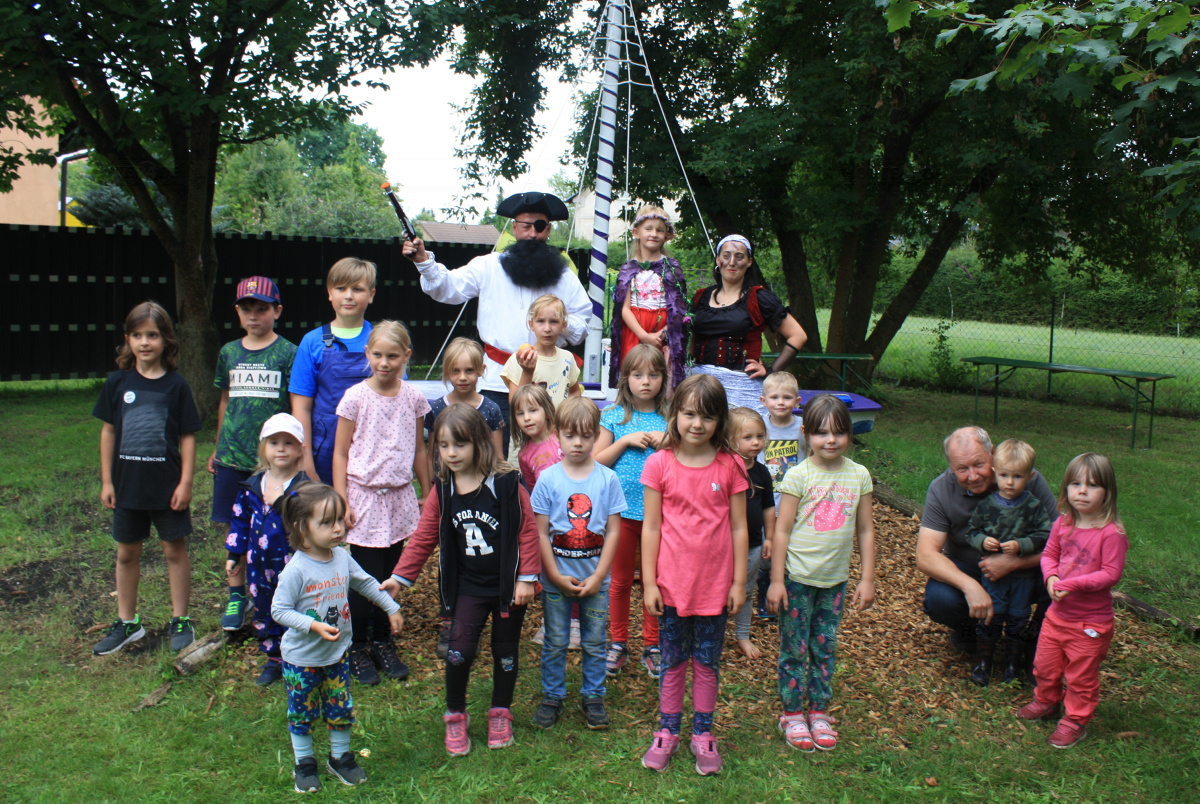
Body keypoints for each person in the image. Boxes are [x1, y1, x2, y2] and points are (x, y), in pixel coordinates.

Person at [382, 404, 540, 757]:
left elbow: (528, 531)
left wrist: (527, 578)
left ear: (480, 443)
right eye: (443, 445)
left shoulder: (506, 484)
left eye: (460, 445)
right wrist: (400, 577)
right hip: (468, 588)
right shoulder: (444, 490)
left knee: (505, 653)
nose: (451, 453)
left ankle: (501, 712)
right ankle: (455, 714)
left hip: (507, 588)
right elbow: (424, 537)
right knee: (459, 652)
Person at [402, 191, 592, 454]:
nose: (532, 234)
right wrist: (423, 261)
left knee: (549, 457)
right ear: (514, 228)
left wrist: (562, 323)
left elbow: (582, 325)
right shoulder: (488, 266)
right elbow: (448, 288)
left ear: (548, 230)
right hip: (496, 383)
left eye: (539, 226)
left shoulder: (564, 276)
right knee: (495, 458)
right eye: (525, 226)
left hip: (549, 386)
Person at [639, 373, 749, 776]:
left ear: (720, 421)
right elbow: (651, 527)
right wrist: (649, 582)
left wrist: (738, 583)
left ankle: (703, 733)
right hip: (670, 586)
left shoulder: (731, 466)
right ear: (675, 414)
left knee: (706, 663)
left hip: (715, 589)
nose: (697, 424)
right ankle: (668, 731)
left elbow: (740, 527)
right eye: (688, 414)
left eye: (706, 416)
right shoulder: (659, 464)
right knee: (671, 662)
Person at [270, 482, 402, 793]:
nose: (338, 529)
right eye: (326, 522)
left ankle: (340, 757)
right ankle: (304, 763)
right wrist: (312, 626)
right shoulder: (297, 571)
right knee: (302, 711)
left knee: (340, 706)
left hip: (337, 655)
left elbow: (366, 584)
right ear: (303, 529)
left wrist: (391, 607)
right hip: (301, 659)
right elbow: (279, 611)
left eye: (339, 520)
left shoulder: (341, 558)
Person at [92, 301, 202, 656]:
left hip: (167, 489)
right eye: (137, 335)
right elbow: (109, 432)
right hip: (127, 487)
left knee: (174, 550)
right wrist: (108, 481)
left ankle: (181, 619)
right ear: (127, 340)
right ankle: (127, 623)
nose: (144, 342)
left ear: (166, 340)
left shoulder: (177, 386)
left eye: (152, 335)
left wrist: (185, 482)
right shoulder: (116, 383)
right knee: (127, 553)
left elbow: (187, 436)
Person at [768, 394, 875, 752]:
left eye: (839, 432)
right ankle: (792, 712)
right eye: (822, 433)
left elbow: (865, 530)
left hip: (835, 582)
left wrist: (867, 578)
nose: (831, 440)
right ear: (805, 433)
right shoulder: (799, 475)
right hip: (797, 579)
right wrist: (777, 580)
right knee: (795, 647)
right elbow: (781, 530)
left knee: (825, 645)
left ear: (849, 434)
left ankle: (819, 709)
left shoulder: (859, 475)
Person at [332, 321, 431, 685]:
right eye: (377, 355)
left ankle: (383, 638)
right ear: (367, 355)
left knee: (391, 572)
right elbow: (340, 452)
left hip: (400, 498)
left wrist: (427, 491)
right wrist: (342, 498)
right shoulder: (356, 398)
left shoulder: (414, 398)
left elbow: (420, 449)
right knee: (363, 575)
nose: (385, 363)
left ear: (406, 356)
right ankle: (357, 645)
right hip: (364, 497)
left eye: (393, 356)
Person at [916, 427, 1059, 666]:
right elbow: (925, 555)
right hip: (971, 567)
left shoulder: (1026, 478)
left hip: (1024, 569)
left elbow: (1061, 542)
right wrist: (970, 586)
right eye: (962, 469)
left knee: (1063, 577)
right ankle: (969, 630)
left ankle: (1037, 636)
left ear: (992, 453)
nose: (973, 476)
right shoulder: (941, 489)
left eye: (979, 464)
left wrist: (1016, 562)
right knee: (940, 599)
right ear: (951, 467)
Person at [1016, 453, 1128, 749]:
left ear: (1107, 493)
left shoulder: (1111, 533)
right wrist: (1051, 578)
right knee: (1045, 665)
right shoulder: (1063, 524)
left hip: (1090, 623)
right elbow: (1050, 554)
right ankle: (1047, 701)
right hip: (1057, 616)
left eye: (1092, 485)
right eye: (1075, 483)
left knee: (1081, 675)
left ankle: (1076, 720)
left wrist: (1072, 584)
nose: (1082, 491)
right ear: (1065, 488)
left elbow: (1111, 574)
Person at [530, 397, 626, 730]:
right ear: (557, 434)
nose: (578, 443)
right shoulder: (548, 480)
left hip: (595, 582)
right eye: (571, 435)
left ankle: (593, 696)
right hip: (557, 580)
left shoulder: (607, 479)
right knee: (555, 639)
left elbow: (614, 530)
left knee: (595, 641)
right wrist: (553, 574)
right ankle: (552, 696)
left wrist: (601, 575)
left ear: (596, 435)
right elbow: (540, 533)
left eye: (586, 435)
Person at [208, 275, 297, 632]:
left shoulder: (288, 352)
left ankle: (284, 588)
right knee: (235, 528)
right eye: (247, 309)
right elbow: (225, 400)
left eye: (262, 309)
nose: (254, 316)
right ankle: (236, 594)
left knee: (281, 524)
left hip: (271, 460)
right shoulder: (229, 352)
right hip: (232, 456)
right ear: (238, 312)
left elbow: (295, 403)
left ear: (276, 310)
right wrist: (217, 446)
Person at [594, 344, 669, 678]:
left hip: (660, 515)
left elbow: (686, 452)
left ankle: (652, 644)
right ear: (626, 379)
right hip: (620, 514)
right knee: (620, 581)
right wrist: (625, 441)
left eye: (654, 375)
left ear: (664, 379)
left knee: (655, 580)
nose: (646, 382)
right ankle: (619, 642)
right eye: (638, 375)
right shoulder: (613, 416)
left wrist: (668, 439)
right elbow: (596, 461)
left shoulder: (671, 417)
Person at [224, 413, 309, 686]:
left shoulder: (304, 487)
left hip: (292, 564)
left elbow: (310, 522)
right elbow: (239, 521)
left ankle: (298, 656)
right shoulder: (252, 486)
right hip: (258, 565)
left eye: (288, 442)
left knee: (293, 608)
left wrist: (284, 501)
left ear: (299, 450)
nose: (281, 448)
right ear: (264, 448)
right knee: (265, 609)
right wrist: (233, 554)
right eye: (274, 442)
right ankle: (274, 659)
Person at [963, 439, 1052, 686]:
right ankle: (984, 661)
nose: (1010, 483)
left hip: (1023, 578)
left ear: (1030, 476)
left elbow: (1046, 535)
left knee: (1018, 617)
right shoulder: (987, 505)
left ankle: (1013, 662)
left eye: (1017, 476)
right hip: (993, 577)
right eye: (1004, 475)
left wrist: (1022, 545)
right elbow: (971, 532)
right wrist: (983, 541)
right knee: (992, 615)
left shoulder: (1033, 506)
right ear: (995, 473)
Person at [688, 234, 807, 416]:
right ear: (718, 260)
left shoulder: (759, 298)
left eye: (739, 256)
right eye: (726, 256)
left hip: (741, 385)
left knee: (742, 438)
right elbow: (690, 337)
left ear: (749, 262)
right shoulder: (700, 297)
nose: (732, 262)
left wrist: (771, 370)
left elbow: (798, 335)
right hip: (699, 382)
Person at [288, 257, 378, 484]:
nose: (348, 295)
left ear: (371, 295)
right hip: (323, 449)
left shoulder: (382, 340)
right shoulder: (311, 342)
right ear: (330, 293)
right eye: (341, 288)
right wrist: (305, 458)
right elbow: (301, 408)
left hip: (373, 446)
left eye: (357, 289)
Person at [609, 205, 688, 391]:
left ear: (667, 235)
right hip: (635, 331)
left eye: (660, 230)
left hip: (663, 333)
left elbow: (679, 310)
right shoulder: (629, 269)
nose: (654, 234)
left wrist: (661, 334)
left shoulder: (672, 269)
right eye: (648, 228)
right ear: (636, 232)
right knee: (635, 377)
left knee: (658, 378)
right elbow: (624, 308)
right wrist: (643, 336)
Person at [728, 407, 776, 660]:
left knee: (746, 590)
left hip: (754, 544)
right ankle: (711, 630)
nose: (756, 442)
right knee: (719, 588)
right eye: (748, 437)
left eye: (760, 436)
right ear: (730, 438)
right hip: (723, 546)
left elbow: (768, 506)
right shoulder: (723, 469)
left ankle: (742, 635)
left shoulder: (762, 472)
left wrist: (770, 536)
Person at [425, 337, 504, 479]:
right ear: (447, 371)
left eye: (469, 370)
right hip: (445, 484)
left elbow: (497, 457)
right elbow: (432, 454)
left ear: (481, 370)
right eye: (456, 371)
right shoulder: (436, 408)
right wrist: (429, 490)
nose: (462, 377)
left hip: (482, 485)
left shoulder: (491, 408)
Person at [501, 294, 582, 405]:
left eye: (553, 321)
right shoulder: (520, 359)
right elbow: (515, 403)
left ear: (563, 325)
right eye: (540, 321)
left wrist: (569, 414)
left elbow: (574, 391)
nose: (547, 329)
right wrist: (527, 372)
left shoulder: (567, 358)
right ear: (531, 324)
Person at [760, 371, 803, 502]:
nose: (781, 402)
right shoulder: (758, 425)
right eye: (774, 397)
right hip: (765, 498)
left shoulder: (804, 426)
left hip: (797, 497)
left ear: (797, 402)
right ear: (764, 401)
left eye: (787, 397)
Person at [511, 384, 563, 490]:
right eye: (520, 413)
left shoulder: (563, 438)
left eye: (533, 410)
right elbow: (535, 490)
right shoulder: (524, 455)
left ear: (547, 412)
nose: (526, 418)